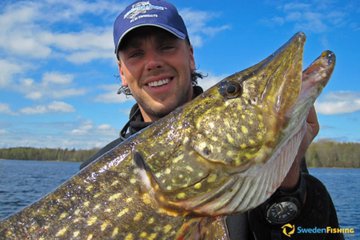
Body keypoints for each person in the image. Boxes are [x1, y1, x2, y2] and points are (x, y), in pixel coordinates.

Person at [81, 0, 343, 239]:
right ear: (122, 73)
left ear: (191, 56)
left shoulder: (271, 158)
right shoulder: (90, 175)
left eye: (166, 47)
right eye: (136, 54)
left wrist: (288, 186)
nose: (153, 62)